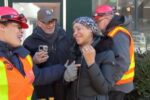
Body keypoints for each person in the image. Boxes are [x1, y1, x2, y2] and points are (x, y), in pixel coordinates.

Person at [0, 6, 66, 100]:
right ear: (2, 27)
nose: (22, 31)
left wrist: (64, 68)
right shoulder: (28, 44)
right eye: (18, 27)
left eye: (52, 21)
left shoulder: (23, 56)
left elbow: (37, 76)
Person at [64, 16, 116, 100]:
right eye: (74, 30)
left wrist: (91, 64)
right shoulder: (74, 52)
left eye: (79, 29)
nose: (75, 33)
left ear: (91, 30)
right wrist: (66, 77)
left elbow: (105, 89)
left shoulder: (106, 53)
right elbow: (67, 86)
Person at [23, 7, 71, 100]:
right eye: (46, 22)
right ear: (39, 23)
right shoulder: (29, 42)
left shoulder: (65, 37)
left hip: (65, 89)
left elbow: (72, 56)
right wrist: (34, 61)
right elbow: (24, 69)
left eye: (52, 21)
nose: (50, 25)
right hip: (43, 93)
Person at [93, 5, 135, 100]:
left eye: (98, 22)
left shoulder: (118, 33)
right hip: (117, 84)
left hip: (117, 85)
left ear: (106, 18)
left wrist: (109, 82)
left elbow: (122, 61)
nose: (97, 25)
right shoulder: (112, 32)